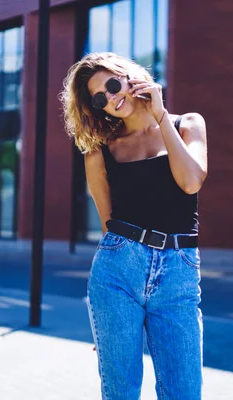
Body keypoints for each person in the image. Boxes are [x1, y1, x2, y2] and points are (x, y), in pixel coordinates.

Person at [60, 52, 208, 400]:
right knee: (121, 392)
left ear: (130, 76)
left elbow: (191, 182)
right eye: (100, 99)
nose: (111, 98)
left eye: (113, 84)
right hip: (118, 270)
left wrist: (159, 115)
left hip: (178, 272)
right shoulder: (100, 147)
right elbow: (108, 219)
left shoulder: (188, 123)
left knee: (184, 392)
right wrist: (108, 325)